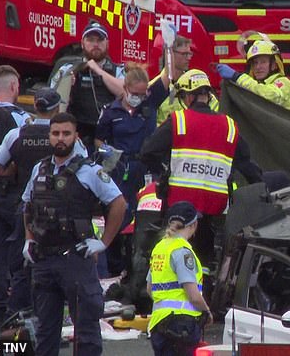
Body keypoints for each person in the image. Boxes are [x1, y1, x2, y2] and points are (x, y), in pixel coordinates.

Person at [21, 112, 127, 356]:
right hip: (44, 260)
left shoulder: (90, 171)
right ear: (49, 135)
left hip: (76, 260)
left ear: (75, 136)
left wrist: (103, 242)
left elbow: (119, 203)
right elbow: (27, 205)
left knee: (86, 333)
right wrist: (28, 239)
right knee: (45, 332)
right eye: (56, 133)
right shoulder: (40, 168)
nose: (61, 138)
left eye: (66, 134)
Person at [140, 69, 262, 269]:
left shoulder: (179, 121)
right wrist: (262, 187)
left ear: (188, 96)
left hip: (179, 207)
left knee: (172, 260)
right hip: (216, 210)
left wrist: (165, 170)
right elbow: (248, 165)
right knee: (205, 264)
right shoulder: (229, 126)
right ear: (208, 95)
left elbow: (147, 152)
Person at [0, 88, 85, 321]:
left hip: (24, 205)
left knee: (20, 261)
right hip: (61, 211)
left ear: (34, 106)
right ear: (56, 109)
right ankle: (51, 314)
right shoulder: (71, 139)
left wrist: (17, 172)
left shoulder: (17, 134)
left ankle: (12, 315)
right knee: (58, 261)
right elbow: (84, 169)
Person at [94, 62, 169, 276]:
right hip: (120, 168)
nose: (139, 97)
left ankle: (140, 268)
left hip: (146, 168)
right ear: (125, 89)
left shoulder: (149, 105)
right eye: (135, 93)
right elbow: (99, 140)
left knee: (146, 218)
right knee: (119, 218)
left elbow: (168, 75)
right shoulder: (110, 112)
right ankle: (115, 267)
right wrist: (110, 153)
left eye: (143, 93)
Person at [0, 65, 32, 329]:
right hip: (9, 194)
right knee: (13, 256)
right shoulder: (20, 120)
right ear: (15, 88)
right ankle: (9, 315)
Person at [147, 201, 213, 356]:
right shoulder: (182, 252)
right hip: (181, 327)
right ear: (194, 225)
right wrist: (207, 311)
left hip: (158, 324)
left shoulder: (160, 249)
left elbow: (150, 289)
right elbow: (193, 295)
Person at [51, 21, 125, 153]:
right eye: (90, 40)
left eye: (100, 40)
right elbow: (55, 103)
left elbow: (124, 93)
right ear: (82, 43)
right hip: (78, 134)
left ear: (107, 43)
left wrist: (98, 70)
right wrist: (68, 85)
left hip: (108, 136)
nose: (95, 44)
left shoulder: (118, 70)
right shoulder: (68, 68)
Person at [151, 35, 220, 125]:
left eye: (189, 54)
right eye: (184, 54)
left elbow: (214, 114)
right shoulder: (155, 87)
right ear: (170, 54)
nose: (189, 58)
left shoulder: (197, 84)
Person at [216, 39, 290, 111]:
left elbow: (269, 95)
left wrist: (238, 77)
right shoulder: (253, 85)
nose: (258, 67)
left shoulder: (284, 82)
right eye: (255, 63)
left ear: (274, 64)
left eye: (263, 62)